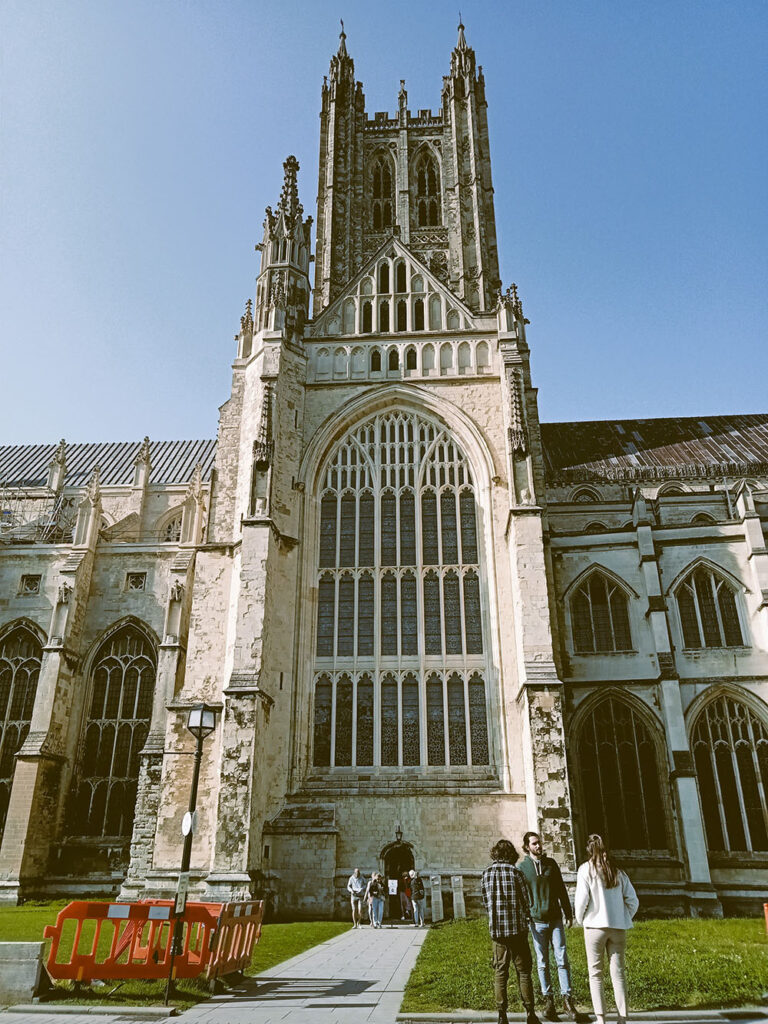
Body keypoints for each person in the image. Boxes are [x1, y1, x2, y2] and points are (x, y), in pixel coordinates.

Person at [517, 831, 583, 1022]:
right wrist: (527, 914)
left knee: (561, 958)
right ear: (527, 846)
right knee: (542, 962)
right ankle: (549, 1001)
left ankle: (567, 1000)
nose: (538, 846)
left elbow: (561, 889)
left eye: (539, 843)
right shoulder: (522, 868)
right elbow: (522, 895)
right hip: (537, 921)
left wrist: (568, 913)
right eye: (534, 844)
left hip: (555, 919)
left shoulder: (551, 864)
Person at [574, 834, 639, 1024]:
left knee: (596, 974)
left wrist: (582, 919)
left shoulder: (586, 870)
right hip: (618, 927)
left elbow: (581, 901)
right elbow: (633, 901)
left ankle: (601, 1019)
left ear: (589, 850)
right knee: (618, 973)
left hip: (595, 926)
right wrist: (624, 916)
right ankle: (622, 1017)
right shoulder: (617, 871)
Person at [481, 838, 541, 1024]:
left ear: (495, 854)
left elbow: (485, 901)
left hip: (498, 932)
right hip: (518, 931)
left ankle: (502, 1014)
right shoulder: (516, 873)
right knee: (523, 972)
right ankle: (530, 1013)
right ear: (512, 855)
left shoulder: (486, 874)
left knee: (500, 971)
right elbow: (526, 900)